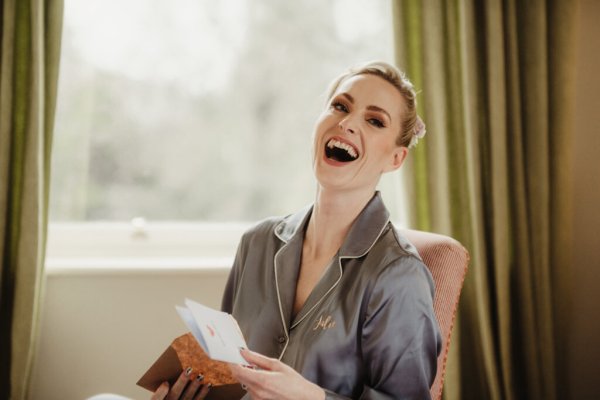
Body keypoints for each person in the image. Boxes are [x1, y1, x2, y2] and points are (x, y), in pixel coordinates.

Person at [153, 61, 441, 400]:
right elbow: (225, 372)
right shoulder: (256, 243)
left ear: (395, 158)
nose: (347, 123)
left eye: (374, 121)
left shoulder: (399, 276)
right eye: (340, 106)